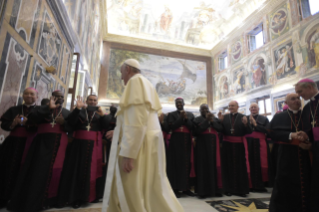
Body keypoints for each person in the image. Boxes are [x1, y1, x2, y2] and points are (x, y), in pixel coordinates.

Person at [102, 59, 184, 212]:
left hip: (140, 143)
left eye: (121, 73)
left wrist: (128, 152)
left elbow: (137, 120)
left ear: (127, 69)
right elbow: (141, 118)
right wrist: (119, 132)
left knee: (132, 184)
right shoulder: (145, 82)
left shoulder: (135, 82)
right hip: (146, 138)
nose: (121, 78)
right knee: (150, 186)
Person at [7, 90, 78, 211]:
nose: (59, 98)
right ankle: (33, 201)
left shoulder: (66, 112)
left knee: (57, 170)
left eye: (61, 97)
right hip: (41, 143)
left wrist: (64, 123)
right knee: (37, 170)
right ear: (52, 97)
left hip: (60, 144)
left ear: (64, 100)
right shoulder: (40, 109)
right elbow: (32, 120)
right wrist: (48, 109)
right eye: (56, 96)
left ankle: (50, 200)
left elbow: (72, 127)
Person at [58, 95, 109, 208]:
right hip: (78, 146)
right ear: (86, 101)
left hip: (94, 147)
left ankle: (90, 196)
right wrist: (77, 108)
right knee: (77, 169)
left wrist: (102, 115)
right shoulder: (80, 111)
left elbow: (106, 126)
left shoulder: (99, 114)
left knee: (92, 171)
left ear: (97, 102)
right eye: (90, 100)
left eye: (95, 100)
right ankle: (75, 197)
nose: (92, 102)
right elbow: (71, 123)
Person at [269, 93, 312, 212]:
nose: (297, 100)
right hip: (286, 155)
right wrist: (290, 135)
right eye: (293, 99)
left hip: (305, 154)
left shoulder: (307, 115)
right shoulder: (279, 117)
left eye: (298, 98)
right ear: (286, 103)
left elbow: (312, 132)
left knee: (305, 181)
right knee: (284, 182)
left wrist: (309, 141)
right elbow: (271, 133)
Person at [0, 88, 38, 207]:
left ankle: (20, 200)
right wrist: (14, 123)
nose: (29, 96)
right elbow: (5, 125)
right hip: (13, 144)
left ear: (36, 96)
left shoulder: (40, 111)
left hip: (31, 144)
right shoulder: (14, 109)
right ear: (23, 95)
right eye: (26, 93)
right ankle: (4, 197)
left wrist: (28, 123)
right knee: (7, 169)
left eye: (32, 94)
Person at [218, 101, 253, 197]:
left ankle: (241, 190)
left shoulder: (244, 117)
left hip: (239, 146)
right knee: (227, 166)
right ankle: (227, 189)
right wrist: (219, 121)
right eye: (229, 106)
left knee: (240, 167)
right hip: (226, 145)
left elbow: (249, 131)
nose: (231, 107)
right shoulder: (224, 117)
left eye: (233, 106)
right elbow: (219, 130)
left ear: (238, 106)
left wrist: (246, 124)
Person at [295, 78, 319, 212]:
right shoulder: (308, 107)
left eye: (300, 91)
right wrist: (306, 136)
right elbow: (310, 128)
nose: (299, 95)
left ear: (309, 87)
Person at [167, 98, 195, 198]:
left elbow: (192, 127)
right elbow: (172, 127)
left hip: (187, 141)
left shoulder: (190, 114)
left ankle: (186, 188)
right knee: (175, 163)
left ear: (184, 103)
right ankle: (175, 189)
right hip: (176, 141)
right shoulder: (171, 114)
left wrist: (186, 119)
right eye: (177, 103)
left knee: (186, 163)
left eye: (180, 103)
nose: (179, 104)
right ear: (175, 105)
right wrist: (180, 118)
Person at [193, 104, 223, 198]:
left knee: (214, 165)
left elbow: (220, 129)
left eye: (206, 109)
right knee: (202, 166)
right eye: (203, 109)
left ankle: (215, 190)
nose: (205, 110)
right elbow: (197, 132)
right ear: (200, 110)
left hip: (214, 144)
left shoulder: (214, 118)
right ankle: (202, 191)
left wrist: (212, 121)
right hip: (202, 144)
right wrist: (206, 121)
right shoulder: (196, 119)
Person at [245, 103, 272, 192]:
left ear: (258, 109)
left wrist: (256, 125)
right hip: (248, 143)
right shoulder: (245, 118)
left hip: (260, 143)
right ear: (249, 109)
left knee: (261, 163)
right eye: (251, 107)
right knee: (249, 163)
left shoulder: (264, 119)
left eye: (255, 107)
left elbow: (268, 131)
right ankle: (250, 184)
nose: (253, 109)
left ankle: (260, 185)